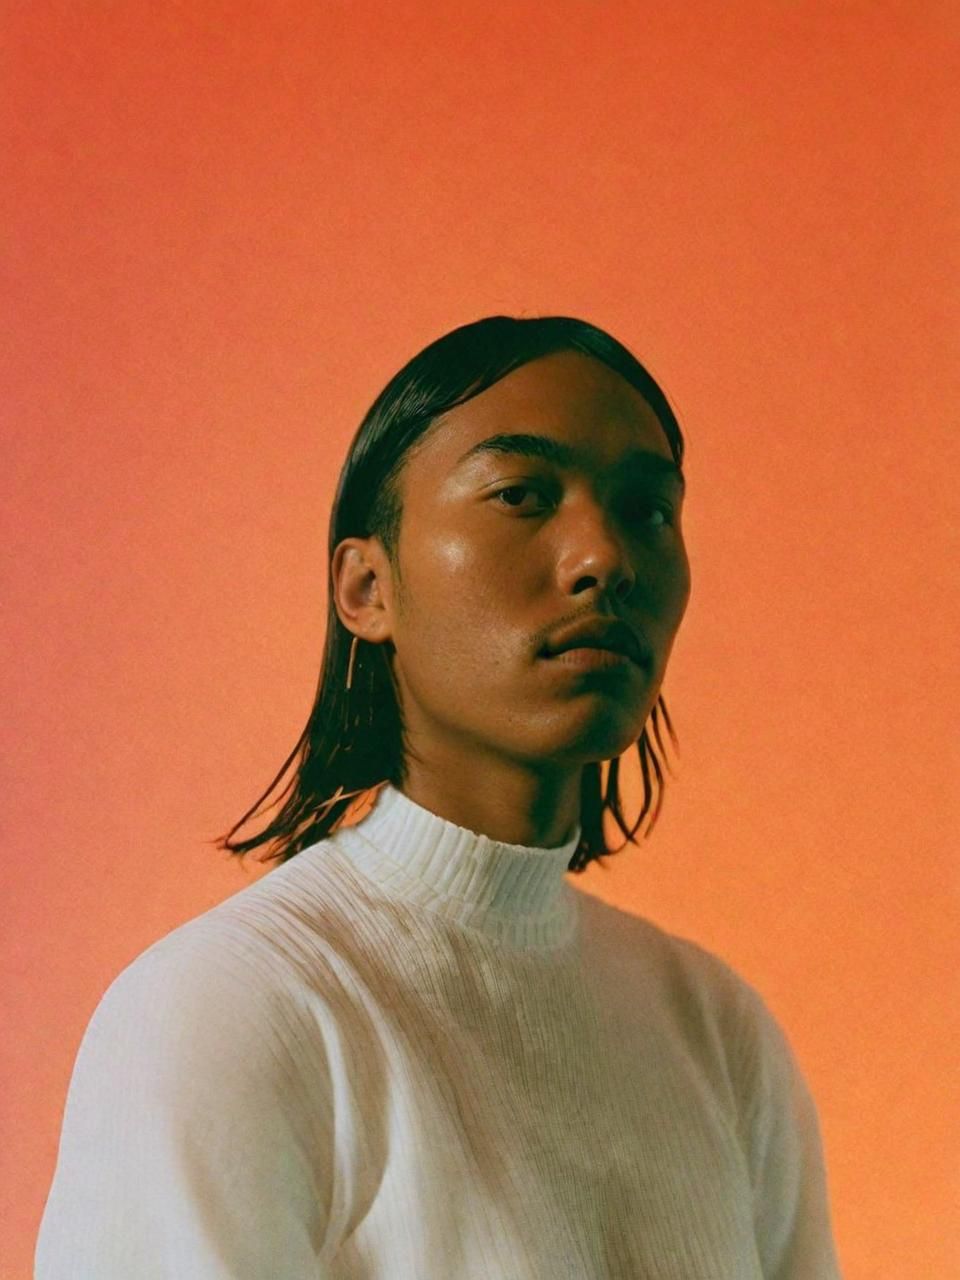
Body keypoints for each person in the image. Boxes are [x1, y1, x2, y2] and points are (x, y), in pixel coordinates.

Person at [35, 315, 842, 1277]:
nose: (604, 558)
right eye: (521, 495)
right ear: (366, 587)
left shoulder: (718, 1035)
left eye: (647, 510)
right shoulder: (235, 1011)